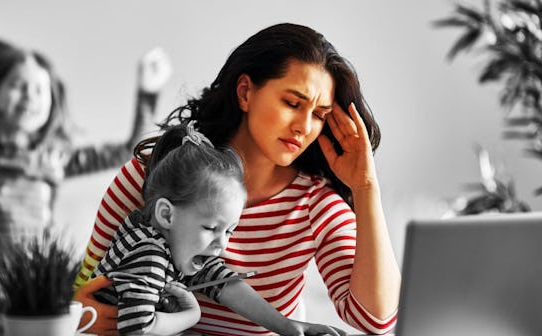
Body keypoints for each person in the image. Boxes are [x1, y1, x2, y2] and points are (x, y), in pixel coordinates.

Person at [73, 22, 401, 335]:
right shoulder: (159, 173)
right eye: (292, 103)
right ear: (245, 92)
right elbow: (83, 288)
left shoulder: (315, 204)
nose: (304, 126)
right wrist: (82, 315)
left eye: (319, 115)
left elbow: (376, 322)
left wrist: (365, 188)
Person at [0, 7, 172, 336]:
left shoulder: (53, 158)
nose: (31, 96)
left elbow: (130, 148)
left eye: (40, 89)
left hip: (43, 307)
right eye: (19, 85)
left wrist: (148, 92)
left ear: (51, 104)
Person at [91, 122, 343, 335]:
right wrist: (192, 315)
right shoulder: (149, 255)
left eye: (229, 231)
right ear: (167, 214)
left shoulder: (171, 243)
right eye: (211, 227)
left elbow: (224, 282)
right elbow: (138, 328)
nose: (222, 244)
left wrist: (285, 325)